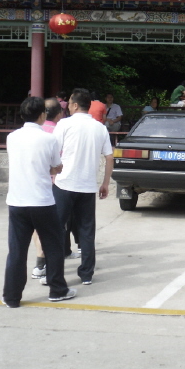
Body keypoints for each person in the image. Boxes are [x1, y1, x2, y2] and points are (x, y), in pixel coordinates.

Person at [2, 96, 76, 307]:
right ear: (42, 115)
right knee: (53, 246)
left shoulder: (12, 137)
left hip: (17, 201)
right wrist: (53, 169)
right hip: (42, 202)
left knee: (17, 251)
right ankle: (57, 289)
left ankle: (12, 297)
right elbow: (56, 166)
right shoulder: (48, 139)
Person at [51, 88, 114, 286]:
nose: (67, 106)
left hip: (64, 183)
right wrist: (105, 183)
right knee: (86, 231)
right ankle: (86, 274)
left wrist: (52, 173)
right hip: (87, 187)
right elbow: (109, 157)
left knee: (56, 229)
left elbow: (53, 151)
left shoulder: (64, 124)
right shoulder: (100, 128)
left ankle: (54, 271)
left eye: (69, 103)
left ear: (76, 105)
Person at [30, 98, 63, 279]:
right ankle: (44, 266)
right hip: (53, 186)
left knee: (36, 228)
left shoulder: (30, 133)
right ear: (59, 114)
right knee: (51, 229)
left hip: (32, 186)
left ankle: (39, 263)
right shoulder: (57, 133)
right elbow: (58, 165)